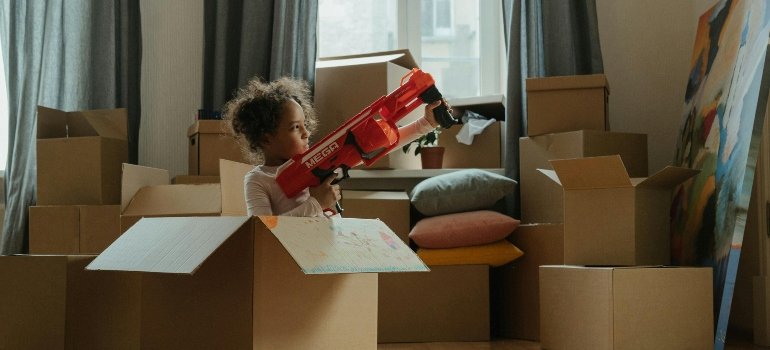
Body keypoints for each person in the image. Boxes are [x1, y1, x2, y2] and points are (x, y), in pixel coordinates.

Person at [224, 76, 443, 217]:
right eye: (294, 127)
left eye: (304, 125)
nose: (306, 133)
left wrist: (424, 125)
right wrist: (316, 203)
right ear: (266, 138)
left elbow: (372, 146)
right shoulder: (257, 180)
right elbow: (263, 232)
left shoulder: (318, 159)